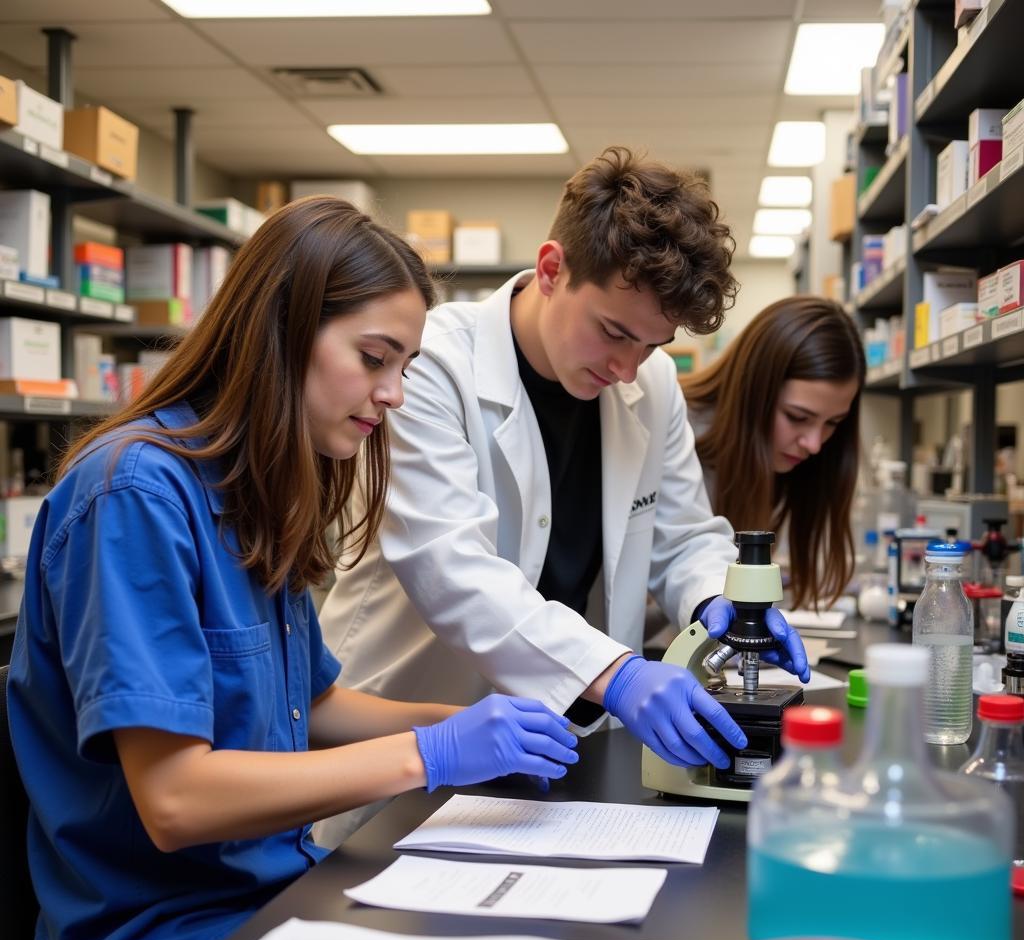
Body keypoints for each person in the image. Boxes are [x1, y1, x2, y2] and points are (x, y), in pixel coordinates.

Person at [6, 197, 579, 940]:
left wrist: (478, 724)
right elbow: (176, 800)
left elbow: (309, 705)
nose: (392, 395)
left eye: (406, 366)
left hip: (274, 893)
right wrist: (431, 752)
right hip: (169, 938)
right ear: (279, 330)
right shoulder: (134, 496)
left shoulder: (252, 491)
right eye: (374, 357)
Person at [318, 148, 810, 844]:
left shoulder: (653, 382)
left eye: (650, 344)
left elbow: (684, 536)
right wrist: (618, 673)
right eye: (614, 331)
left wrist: (718, 604)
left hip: (550, 756)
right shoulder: (433, 363)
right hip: (405, 741)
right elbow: (454, 568)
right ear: (551, 269)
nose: (626, 366)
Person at [682, 295, 866, 610]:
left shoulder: (780, 460)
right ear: (753, 390)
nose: (814, 444)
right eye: (797, 417)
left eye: (832, 423)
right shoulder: (678, 431)